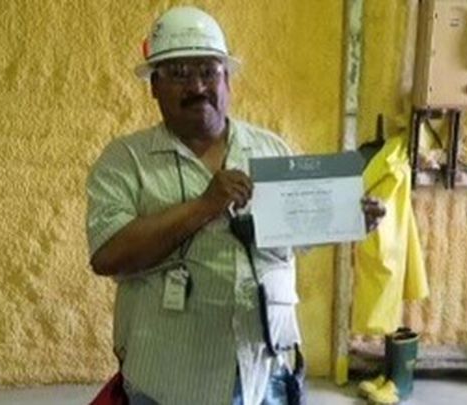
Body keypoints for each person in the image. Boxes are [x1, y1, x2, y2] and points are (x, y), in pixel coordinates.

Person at [85, 6, 386, 405]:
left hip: (267, 370)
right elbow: (108, 255)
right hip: (168, 380)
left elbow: (294, 234)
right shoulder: (125, 160)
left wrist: (347, 216)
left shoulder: (269, 149)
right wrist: (203, 206)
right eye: (179, 73)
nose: (197, 86)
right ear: (154, 86)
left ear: (227, 79)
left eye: (208, 71)